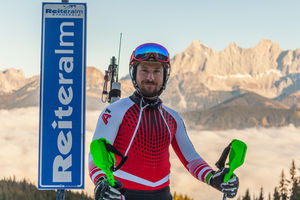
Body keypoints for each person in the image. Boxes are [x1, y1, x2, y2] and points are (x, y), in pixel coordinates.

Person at [89, 43, 239, 200]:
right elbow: (95, 155)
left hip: (163, 195)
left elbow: (191, 159)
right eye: (144, 71)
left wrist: (213, 178)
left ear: (165, 75)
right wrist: (101, 182)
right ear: (134, 73)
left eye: (157, 71)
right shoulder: (115, 111)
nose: (150, 77)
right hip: (122, 195)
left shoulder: (173, 118)